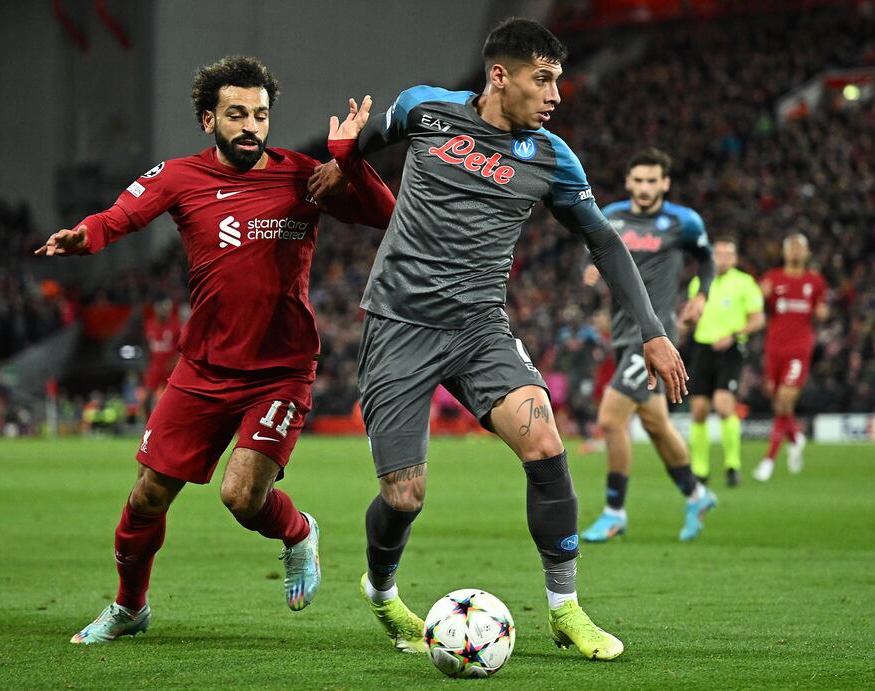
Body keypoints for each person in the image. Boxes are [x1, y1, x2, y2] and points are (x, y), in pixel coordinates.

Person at [312, 18, 688, 662]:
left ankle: (566, 609)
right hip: (399, 324)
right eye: (542, 79)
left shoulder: (551, 157)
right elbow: (364, 147)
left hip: (480, 328)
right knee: (405, 496)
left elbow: (603, 240)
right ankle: (380, 589)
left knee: (546, 441)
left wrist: (652, 332)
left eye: (558, 81)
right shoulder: (423, 108)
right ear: (499, 76)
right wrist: (339, 165)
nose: (555, 95)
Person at [35, 55, 395, 644]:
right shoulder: (180, 176)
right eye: (236, 114)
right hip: (203, 367)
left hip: (280, 369)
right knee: (147, 496)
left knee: (242, 496)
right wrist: (86, 236)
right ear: (209, 120)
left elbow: (387, 214)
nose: (251, 126)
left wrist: (348, 160)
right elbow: (122, 215)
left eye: (260, 115)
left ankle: (299, 531)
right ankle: (130, 608)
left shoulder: (305, 174)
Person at [580, 148, 717, 544]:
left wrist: (703, 294)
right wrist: (586, 272)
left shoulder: (683, 222)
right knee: (657, 425)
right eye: (637, 180)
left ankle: (614, 512)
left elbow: (706, 261)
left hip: (655, 335)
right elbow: (590, 252)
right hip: (622, 334)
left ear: (665, 183)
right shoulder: (613, 216)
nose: (644, 187)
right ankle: (696, 494)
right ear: (628, 182)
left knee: (610, 420)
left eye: (651, 180)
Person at [684, 239, 765, 486]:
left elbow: (758, 319)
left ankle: (732, 465)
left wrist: (733, 334)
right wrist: (686, 320)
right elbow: (692, 316)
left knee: (722, 405)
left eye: (728, 254)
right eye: (718, 254)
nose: (723, 259)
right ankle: (700, 470)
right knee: (698, 409)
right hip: (702, 347)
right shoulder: (698, 283)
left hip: (730, 349)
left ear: (735, 258)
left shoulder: (745, 283)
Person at [752, 233, 827, 481]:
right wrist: (758, 296)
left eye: (800, 248)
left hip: (799, 348)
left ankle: (769, 460)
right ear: (784, 253)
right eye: (791, 247)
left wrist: (821, 312)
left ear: (807, 253)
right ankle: (795, 438)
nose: (795, 252)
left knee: (785, 400)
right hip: (774, 347)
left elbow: (819, 309)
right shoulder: (772, 279)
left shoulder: (815, 282)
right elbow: (754, 305)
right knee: (778, 403)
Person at [140, 297, 181, 418]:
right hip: (155, 366)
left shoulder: (176, 325)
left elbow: (183, 348)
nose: (164, 312)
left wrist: (175, 361)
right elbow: (147, 346)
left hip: (170, 366)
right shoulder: (148, 324)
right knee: (146, 398)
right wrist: (147, 365)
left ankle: (175, 424)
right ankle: (148, 426)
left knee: (174, 398)